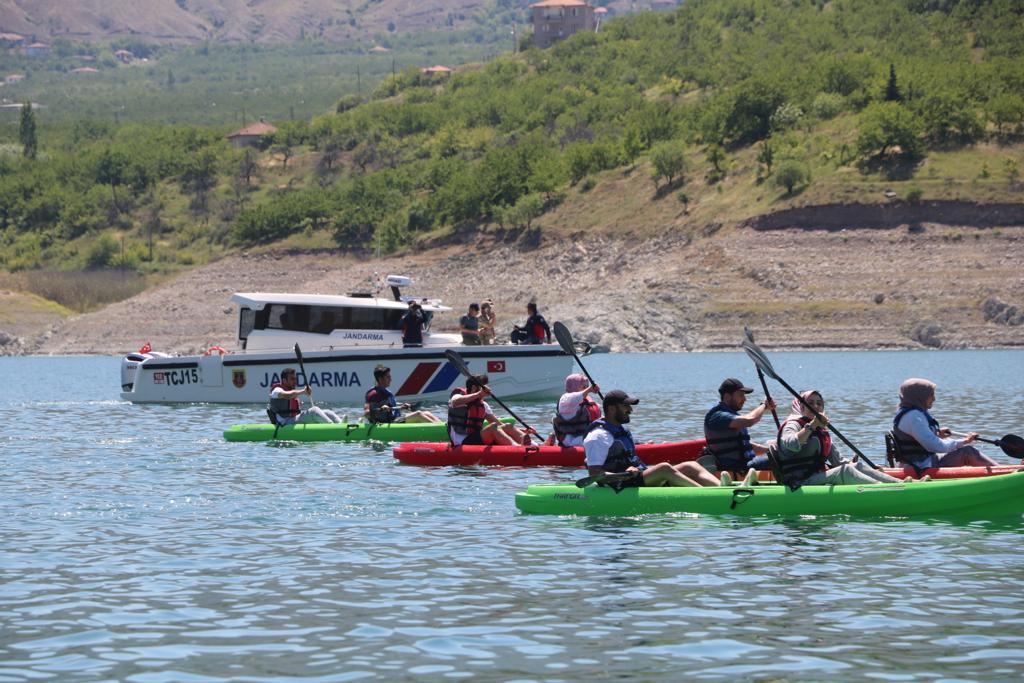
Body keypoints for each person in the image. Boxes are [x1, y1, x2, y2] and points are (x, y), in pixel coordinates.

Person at [584, 389, 722, 488]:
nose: (630, 410)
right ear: (612, 409)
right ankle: (704, 495)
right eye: (625, 406)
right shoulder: (597, 437)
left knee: (690, 465)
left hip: (636, 477)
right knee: (664, 468)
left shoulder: (620, 430)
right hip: (620, 484)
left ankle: (723, 489)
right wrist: (623, 474)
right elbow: (594, 473)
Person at [776, 390, 903, 487]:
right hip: (798, 482)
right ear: (802, 408)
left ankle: (901, 484)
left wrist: (870, 469)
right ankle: (884, 490)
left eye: (819, 404)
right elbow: (791, 443)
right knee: (845, 471)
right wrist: (811, 426)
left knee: (856, 466)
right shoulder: (793, 424)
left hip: (816, 477)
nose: (815, 406)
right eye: (810, 403)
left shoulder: (821, 431)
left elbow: (839, 462)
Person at [892, 378, 998, 469]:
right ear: (919, 396)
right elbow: (935, 446)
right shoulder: (914, 417)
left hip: (923, 463)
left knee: (964, 451)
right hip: (921, 468)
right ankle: (1002, 474)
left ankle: (1000, 471)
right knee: (967, 452)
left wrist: (936, 434)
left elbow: (920, 438)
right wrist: (964, 441)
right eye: (931, 395)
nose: (934, 399)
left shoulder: (910, 413)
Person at [703, 378, 777, 478]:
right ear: (727, 396)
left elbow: (745, 446)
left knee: (779, 455)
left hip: (746, 464)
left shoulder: (731, 415)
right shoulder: (718, 416)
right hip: (737, 467)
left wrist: (771, 450)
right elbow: (750, 420)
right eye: (741, 395)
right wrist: (764, 405)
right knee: (781, 459)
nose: (745, 399)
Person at [448, 374, 533, 446]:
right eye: (483, 387)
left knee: (508, 426)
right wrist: (478, 394)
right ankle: (516, 448)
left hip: (476, 438)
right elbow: (455, 402)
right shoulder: (458, 396)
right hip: (461, 442)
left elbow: (500, 424)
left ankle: (534, 446)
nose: (487, 388)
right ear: (474, 387)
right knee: (493, 427)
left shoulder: (483, 405)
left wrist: (523, 430)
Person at [364, 366, 440, 424]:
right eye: (388, 377)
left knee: (427, 413)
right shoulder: (373, 394)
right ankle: (442, 430)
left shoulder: (386, 391)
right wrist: (380, 409)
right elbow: (367, 413)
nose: (390, 379)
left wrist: (402, 406)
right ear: (380, 379)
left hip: (395, 419)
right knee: (418, 414)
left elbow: (391, 407)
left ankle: (444, 426)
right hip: (387, 423)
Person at [268, 367, 344, 426]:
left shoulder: (291, 390)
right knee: (314, 410)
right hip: (285, 423)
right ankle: (332, 427)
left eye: (295, 379)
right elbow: (287, 395)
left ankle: (342, 425)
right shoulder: (277, 390)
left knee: (327, 412)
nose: (295, 381)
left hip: (293, 419)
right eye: (292, 379)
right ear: (284, 381)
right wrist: (303, 391)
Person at [550, 373, 602, 447]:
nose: (586, 388)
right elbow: (576, 397)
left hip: (587, 438)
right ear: (574, 386)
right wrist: (590, 389)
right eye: (584, 386)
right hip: (571, 442)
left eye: (587, 386)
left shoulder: (587, 401)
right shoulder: (566, 399)